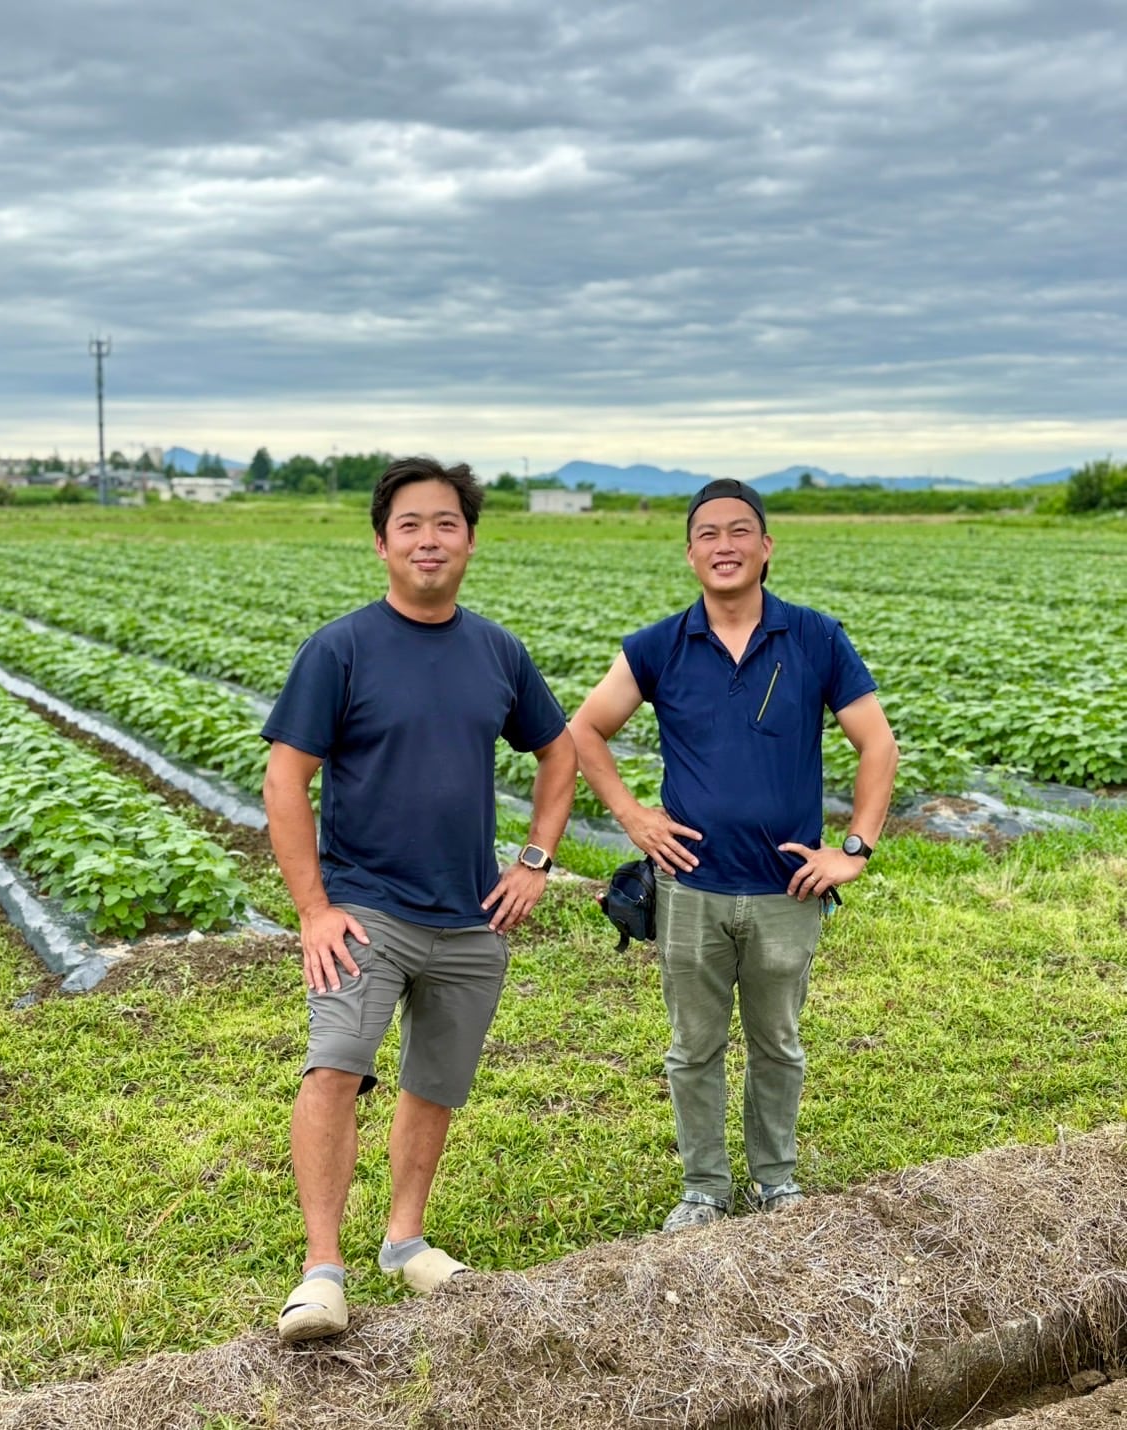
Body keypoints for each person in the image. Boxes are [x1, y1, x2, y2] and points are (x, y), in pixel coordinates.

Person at [262, 456, 576, 1342]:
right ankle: (322, 1270)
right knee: (335, 1068)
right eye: (410, 525)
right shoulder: (343, 647)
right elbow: (285, 780)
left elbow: (558, 753)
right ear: (381, 543)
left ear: (470, 540)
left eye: (446, 523)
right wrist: (315, 907)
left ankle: (404, 1242)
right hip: (368, 910)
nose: (428, 540)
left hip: (472, 915)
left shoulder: (496, 650)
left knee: (434, 1083)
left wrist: (535, 860)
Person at [569, 478, 898, 1231]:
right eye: (709, 534)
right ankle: (703, 1189)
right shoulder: (658, 645)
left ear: (766, 547)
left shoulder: (815, 637)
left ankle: (775, 1180)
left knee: (778, 1042)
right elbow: (586, 731)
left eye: (740, 531)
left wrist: (854, 849)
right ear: (690, 554)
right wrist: (634, 816)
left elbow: (877, 743)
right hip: (691, 889)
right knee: (694, 1046)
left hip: (790, 889)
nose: (725, 545)